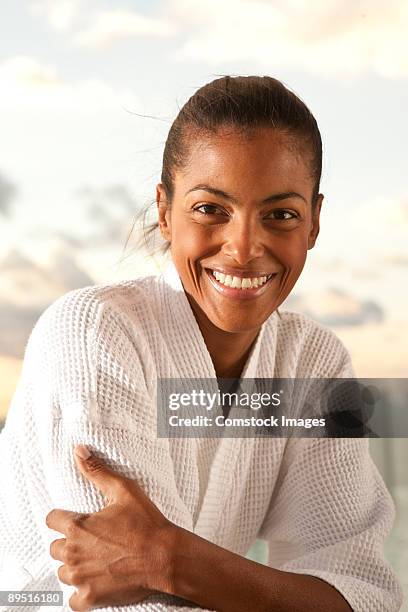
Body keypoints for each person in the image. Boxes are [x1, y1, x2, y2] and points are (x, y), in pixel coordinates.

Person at [0, 76, 403, 612]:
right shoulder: (91, 333)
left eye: (280, 214)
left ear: (314, 221)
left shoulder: (318, 362)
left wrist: (171, 559)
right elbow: (128, 603)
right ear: (164, 210)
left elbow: (369, 597)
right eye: (211, 209)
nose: (242, 248)